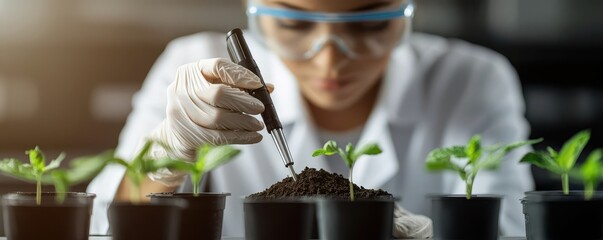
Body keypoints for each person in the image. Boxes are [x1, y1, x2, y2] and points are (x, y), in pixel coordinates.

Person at [88, 0, 533, 237]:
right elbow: (102, 226)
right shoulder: (190, 65)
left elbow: (509, 229)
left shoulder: (471, 79)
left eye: (369, 23)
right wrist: (164, 155)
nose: (330, 61)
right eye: (295, 24)